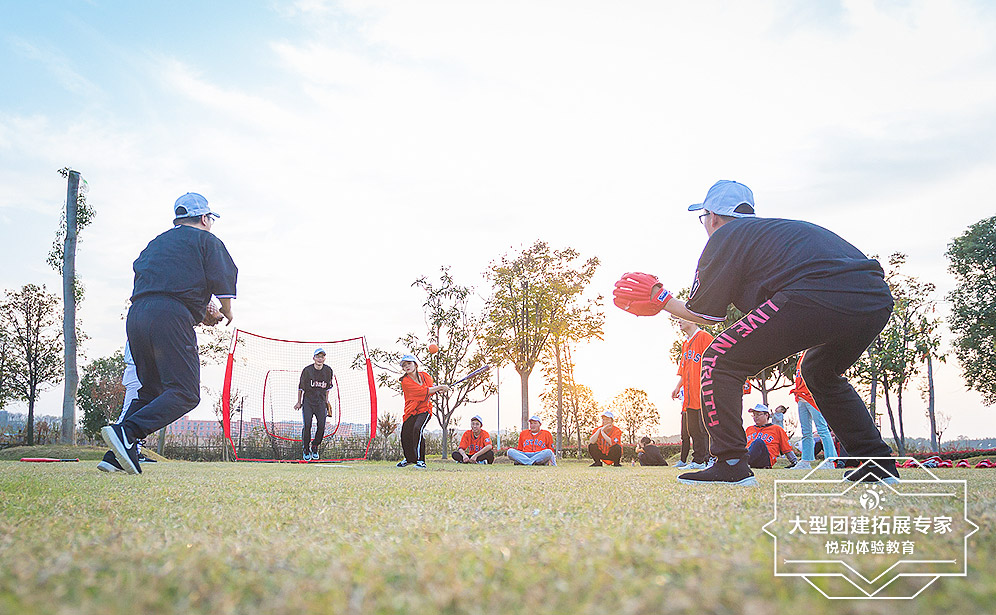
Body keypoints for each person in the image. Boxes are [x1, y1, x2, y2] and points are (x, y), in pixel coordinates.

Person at [613, 179, 898, 486]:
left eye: (704, 218)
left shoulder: (726, 236)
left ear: (713, 217)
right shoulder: (770, 234)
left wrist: (661, 298)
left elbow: (704, 315)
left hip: (816, 293)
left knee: (718, 359)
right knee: (819, 371)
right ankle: (876, 462)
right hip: (874, 299)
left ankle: (731, 463)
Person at [101, 192, 236, 475]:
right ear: (204, 218)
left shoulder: (156, 243)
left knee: (151, 391)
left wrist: (196, 309)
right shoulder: (206, 240)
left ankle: (116, 454)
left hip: (137, 315)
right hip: (170, 316)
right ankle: (126, 433)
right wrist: (227, 310)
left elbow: (165, 282)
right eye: (211, 219)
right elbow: (223, 279)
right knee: (186, 393)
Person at [672, 318, 713, 469]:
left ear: (692, 320)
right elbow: (684, 370)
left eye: (681, 318)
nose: (679, 322)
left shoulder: (704, 337)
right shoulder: (685, 344)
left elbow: (714, 362)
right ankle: (698, 460)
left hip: (702, 392)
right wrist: (678, 387)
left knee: (705, 428)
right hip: (689, 395)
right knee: (693, 428)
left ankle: (710, 459)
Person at [397, 353, 449, 468]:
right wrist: (439, 387)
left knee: (417, 429)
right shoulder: (405, 381)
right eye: (404, 365)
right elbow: (421, 391)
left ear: (415, 364)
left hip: (424, 410)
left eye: (409, 363)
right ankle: (410, 459)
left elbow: (431, 387)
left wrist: (438, 388)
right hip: (411, 411)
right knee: (405, 434)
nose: (407, 367)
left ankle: (421, 461)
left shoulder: (425, 376)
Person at [789, 350, 838, 470]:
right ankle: (806, 461)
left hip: (813, 397)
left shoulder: (817, 355)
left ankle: (830, 461)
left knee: (822, 429)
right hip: (801, 397)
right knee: (806, 431)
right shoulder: (801, 359)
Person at [294, 348, 334, 461]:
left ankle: (315, 446)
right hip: (308, 401)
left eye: (322, 357)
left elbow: (327, 389)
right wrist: (299, 402)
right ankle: (306, 449)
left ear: (324, 358)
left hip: (320, 402)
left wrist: (327, 402)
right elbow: (301, 387)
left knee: (322, 425)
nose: (320, 359)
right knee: (307, 425)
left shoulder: (328, 371)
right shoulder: (307, 370)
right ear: (314, 358)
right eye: (318, 356)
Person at [745, 404, 798, 469]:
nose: (756, 417)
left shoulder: (776, 429)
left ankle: (742, 463)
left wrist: (794, 461)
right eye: (754, 415)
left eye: (758, 414)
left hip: (765, 459)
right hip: (749, 457)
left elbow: (786, 447)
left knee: (758, 442)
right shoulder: (749, 429)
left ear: (766, 415)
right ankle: (739, 463)